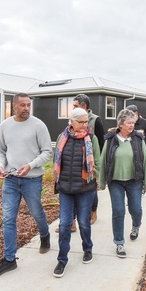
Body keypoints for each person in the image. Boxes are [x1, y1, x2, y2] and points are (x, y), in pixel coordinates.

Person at [0, 93, 53, 279]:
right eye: (22, 105)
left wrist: (30, 165)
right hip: (10, 179)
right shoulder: (5, 126)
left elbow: (47, 152)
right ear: (13, 106)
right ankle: (9, 259)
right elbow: (0, 150)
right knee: (8, 219)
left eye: (28, 105)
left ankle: (44, 234)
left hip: (32, 179)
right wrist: (0, 166)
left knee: (36, 212)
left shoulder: (38, 125)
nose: (26, 108)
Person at [51, 108, 101, 278]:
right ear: (71, 122)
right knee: (65, 224)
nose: (85, 125)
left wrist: (97, 182)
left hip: (85, 189)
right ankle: (62, 259)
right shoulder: (62, 137)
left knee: (84, 222)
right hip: (65, 188)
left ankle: (88, 248)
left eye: (86, 121)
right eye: (81, 122)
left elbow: (98, 160)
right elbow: (56, 159)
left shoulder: (91, 138)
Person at [99, 109, 146, 258]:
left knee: (135, 209)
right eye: (129, 123)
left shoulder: (138, 139)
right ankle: (119, 242)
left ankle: (135, 226)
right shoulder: (110, 140)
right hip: (115, 182)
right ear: (121, 124)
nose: (132, 125)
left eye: (133, 123)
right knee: (118, 211)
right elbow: (103, 160)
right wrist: (102, 181)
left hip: (134, 181)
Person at [70, 94, 105, 228]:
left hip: (90, 165)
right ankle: (71, 222)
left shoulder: (96, 121)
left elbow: (101, 144)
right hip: (74, 164)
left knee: (91, 190)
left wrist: (97, 165)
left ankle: (93, 211)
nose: (73, 108)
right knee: (71, 191)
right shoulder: (72, 120)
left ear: (84, 106)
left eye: (75, 106)